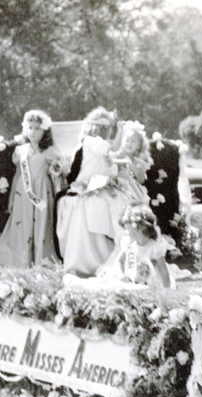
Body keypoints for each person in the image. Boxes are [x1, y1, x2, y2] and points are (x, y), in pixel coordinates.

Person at [56, 107, 133, 277]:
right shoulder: (91, 143)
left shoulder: (99, 147)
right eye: (102, 129)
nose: (104, 132)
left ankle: (119, 254)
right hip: (86, 186)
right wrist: (119, 131)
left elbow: (110, 163)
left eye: (106, 129)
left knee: (118, 202)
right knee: (96, 203)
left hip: (100, 186)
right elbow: (111, 149)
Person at [0, 109, 65, 268]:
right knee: (22, 226)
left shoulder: (50, 151)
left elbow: (58, 171)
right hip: (23, 194)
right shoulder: (21, 150)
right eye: (30, 127)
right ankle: (21, 264)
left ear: (44, 130)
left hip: (42, 193)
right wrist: (12, 197)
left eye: (37, 128)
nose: (33, 132)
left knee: (41, 228)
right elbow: (18, 174)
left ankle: (42, 264)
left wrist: (56, 170)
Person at [98, 203, 172, 288]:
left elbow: (164, 271)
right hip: (131, 277)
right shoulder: (130, 244)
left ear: (140, 229)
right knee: (108, 278)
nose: (125, 232)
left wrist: (167, 288)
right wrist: (121, 275)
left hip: (148, 280)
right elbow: (119, 261)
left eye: (127, 229)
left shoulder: (155, 248)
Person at [112, 120, 152, 205]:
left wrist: (131, 165)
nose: (129, 144)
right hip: (119, 188)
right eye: (127, 140)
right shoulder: (119, 156)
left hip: (134, 189)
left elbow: (141, 180)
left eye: (133, 141)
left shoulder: (140, 160)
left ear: (139, 145)